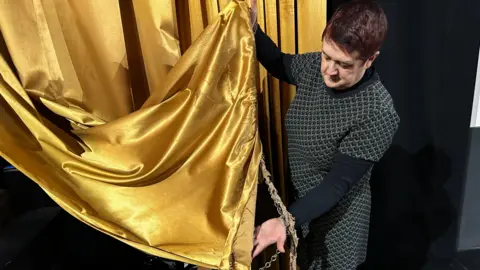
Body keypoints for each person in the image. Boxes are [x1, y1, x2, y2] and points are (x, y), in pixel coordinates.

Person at [250, 0, 400, 269]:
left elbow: (336, 185)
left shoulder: (377, 111)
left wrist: (286, 220)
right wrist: (252, 28)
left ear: (370, 59)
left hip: (338, 224)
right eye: (326, 56)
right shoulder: (314, 69)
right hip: (301, 207)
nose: (329, 71)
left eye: (343, 64)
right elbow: (277, 62)